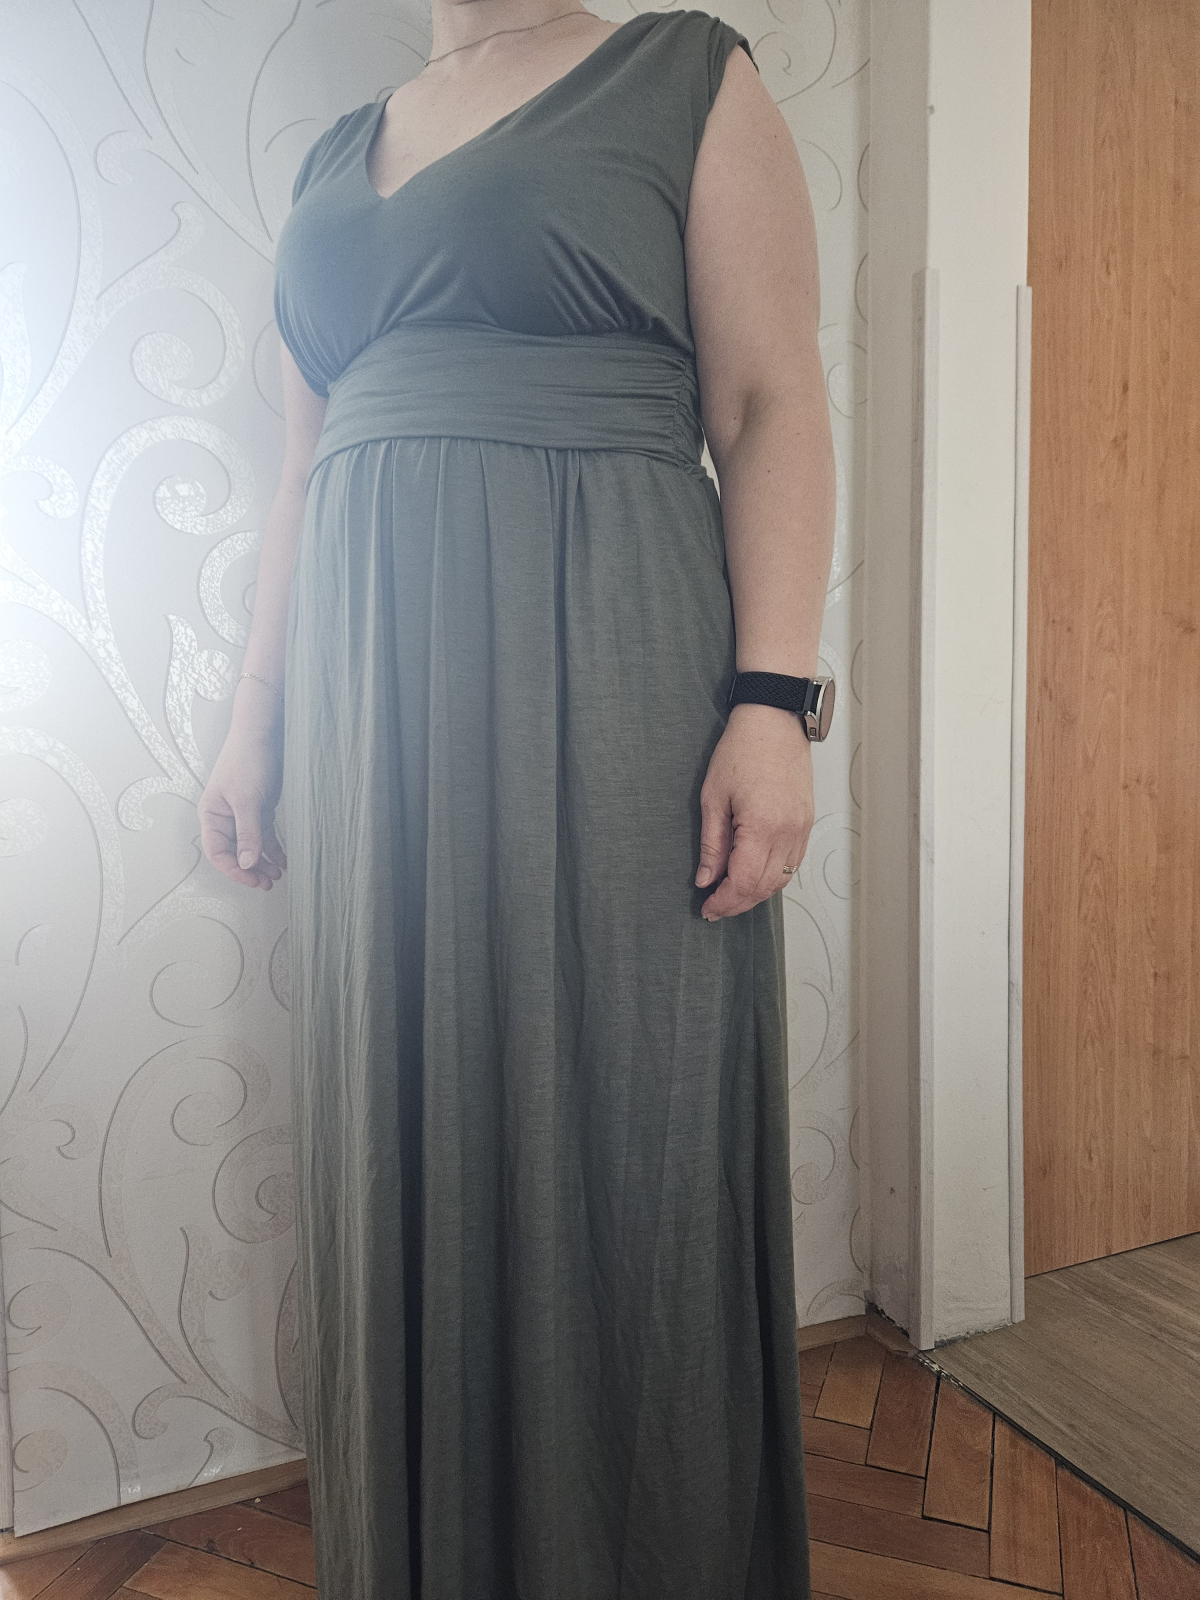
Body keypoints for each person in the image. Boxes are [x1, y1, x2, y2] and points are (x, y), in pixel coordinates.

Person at [197, 3, 835, 1595]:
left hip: (608, 667)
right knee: (404, 1109)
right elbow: (302, 468)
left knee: (626, 1104)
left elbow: (769, 400)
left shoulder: (685, 73)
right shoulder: (335, 158)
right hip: (374, 714)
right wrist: (255, 721)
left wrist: (774, 704)